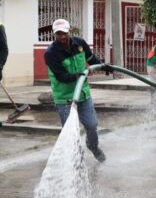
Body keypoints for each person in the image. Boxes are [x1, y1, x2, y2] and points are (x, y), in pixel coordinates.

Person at [44, 19, 114, 162]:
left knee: (92, 124)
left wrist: (102, 66)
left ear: (69, 31)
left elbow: (91, 58)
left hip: (83, 94)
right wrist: (80, 75)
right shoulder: (51, 53)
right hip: (64, 98)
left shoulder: (80, 43)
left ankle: (93, 147)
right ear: (54, 34)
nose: (62, 36)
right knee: (72, 133)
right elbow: (60, 76)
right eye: (58, 34)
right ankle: (77, 160)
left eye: (64, 33)